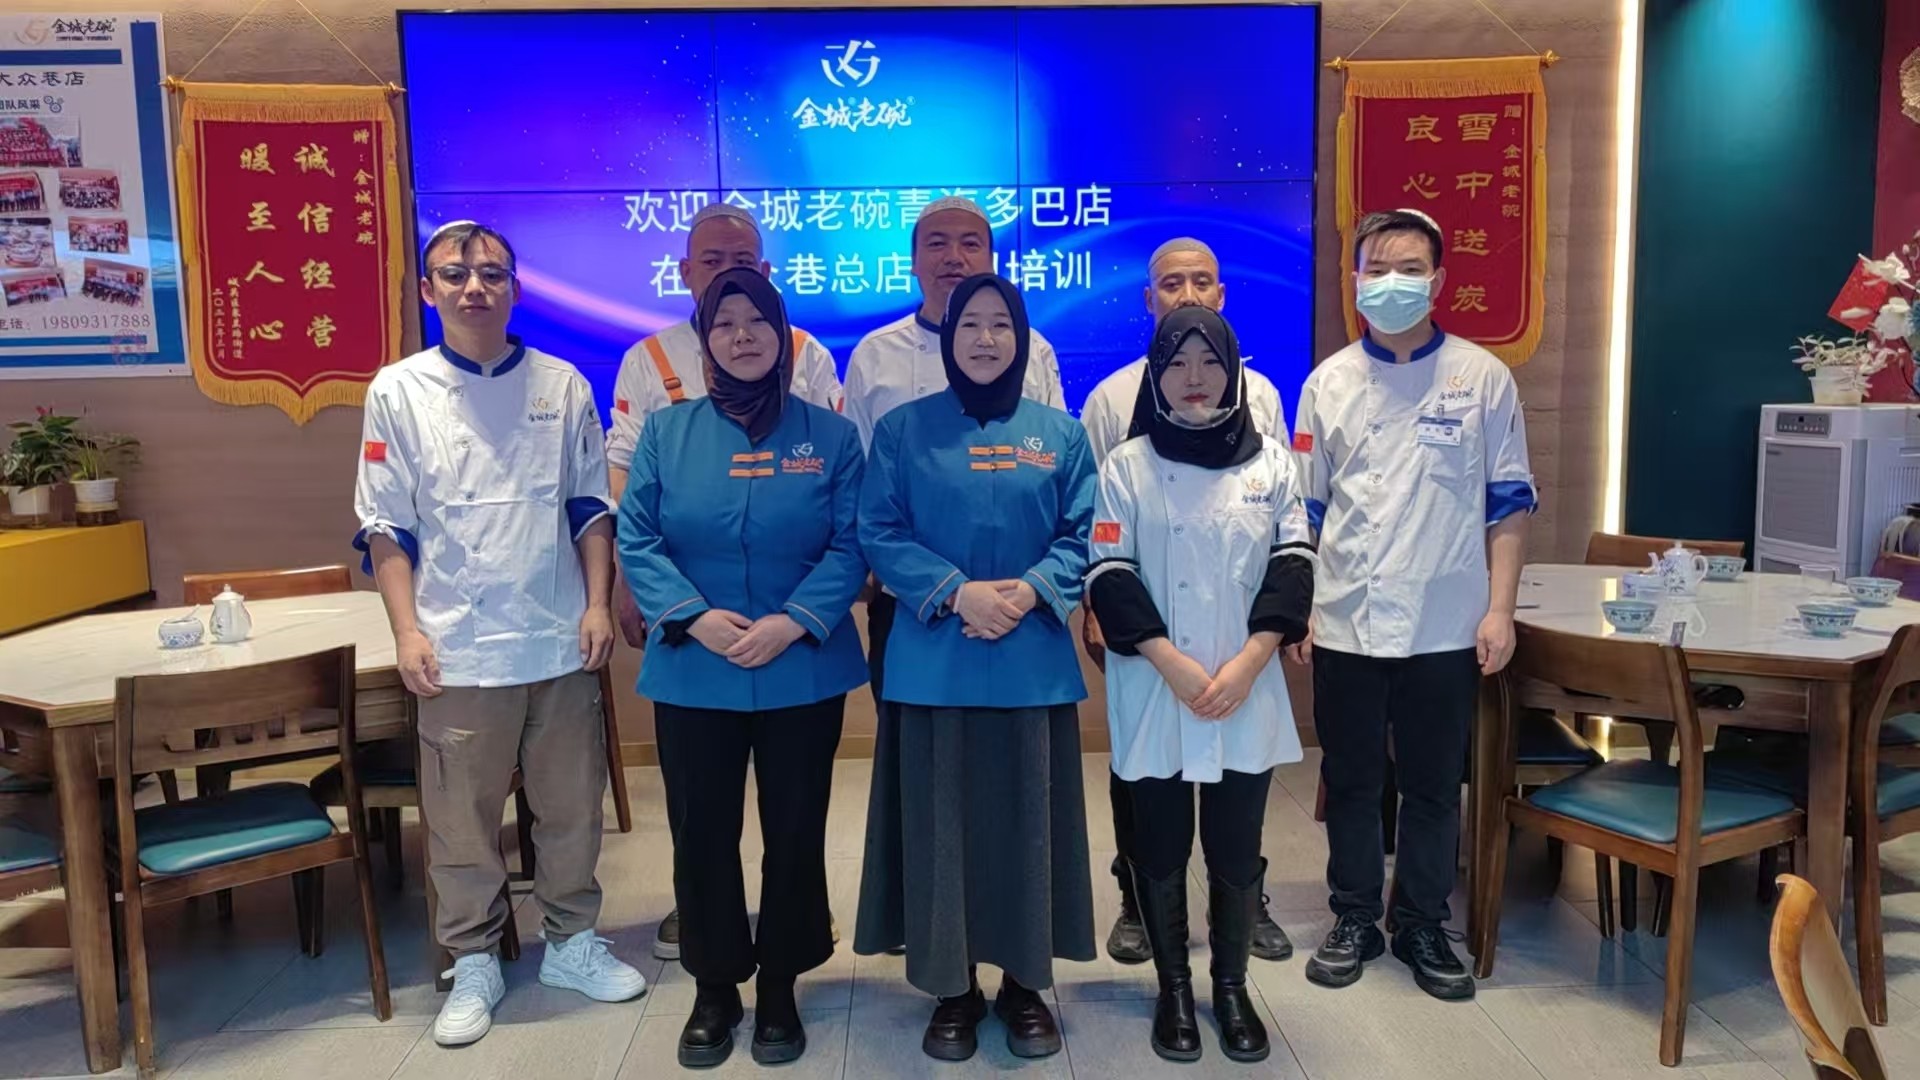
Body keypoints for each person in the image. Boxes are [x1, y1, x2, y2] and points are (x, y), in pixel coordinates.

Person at [354, 221, 647, 1048]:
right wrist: (406, 630)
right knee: (461, 819)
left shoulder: (562, 385)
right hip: (457, 644)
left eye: (491, 273)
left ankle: (572, 941)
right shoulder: (398, 391)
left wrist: (598, 603)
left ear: (516, 288)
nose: (474, 287)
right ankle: (473, 958)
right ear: (428, 290)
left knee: (570, 805)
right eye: (455, 274)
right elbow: (386, 526)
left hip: (558, 637)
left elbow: (589, 508)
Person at [617, 267, 867, 1067]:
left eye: (757, 321)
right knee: (702, 833)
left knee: (795, 830)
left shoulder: (830, 437)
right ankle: (715, 985)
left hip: (801, 665)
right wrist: (694, 616)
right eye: (724, 324)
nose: (742, 336)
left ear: (782, 335)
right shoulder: (667, 432)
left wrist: (794, 621)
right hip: (697, 665)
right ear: (705, 341)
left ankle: (783, 984)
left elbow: (853, 541)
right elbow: (637, 538)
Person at [1291, 209, 1535, 1001]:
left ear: (1438, 282)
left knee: (1433, 786)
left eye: (1410, 268)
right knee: (1353, 781)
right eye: (1377, 268)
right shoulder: (1328, 382)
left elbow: (1508, 505)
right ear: (1355, 280)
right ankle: (1355, 916)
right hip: (1346, 617)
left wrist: (1500, 610)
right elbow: (1306, 512)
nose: (1391, 282)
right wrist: (1300, 607)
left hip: (1446, 621)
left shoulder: (1481, 378)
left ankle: (1423, 921)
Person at [852, 273, 1096, 1062]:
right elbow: (879, 530)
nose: (985, 339)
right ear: (948, 337)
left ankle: (1025, 986)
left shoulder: (1060, 434)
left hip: (1031, 657)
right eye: (970, 325)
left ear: (1022, 339)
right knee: (942, 830)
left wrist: (1030, 589)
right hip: (935, 656)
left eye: (1001, 325)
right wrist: (957, 593)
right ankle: (952, 988)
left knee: (1029, 826)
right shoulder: (903, 430)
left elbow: (1085, 530)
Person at [1087, 306, 1315, 1063]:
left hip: (1245, 685)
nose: (1194, 378)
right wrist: (1174, 664)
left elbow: (1294, 565)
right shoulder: (1127, 466)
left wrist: (1249, 662)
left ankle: (1232, 986)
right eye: (1178, 363)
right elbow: (1109, 573)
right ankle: (1174, 989)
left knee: (1235, 845)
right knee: (1158, 843)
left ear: (1233, 371)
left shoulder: (1271, 464)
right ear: (1156, 373)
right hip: (1158, 684)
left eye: (1210, 362)